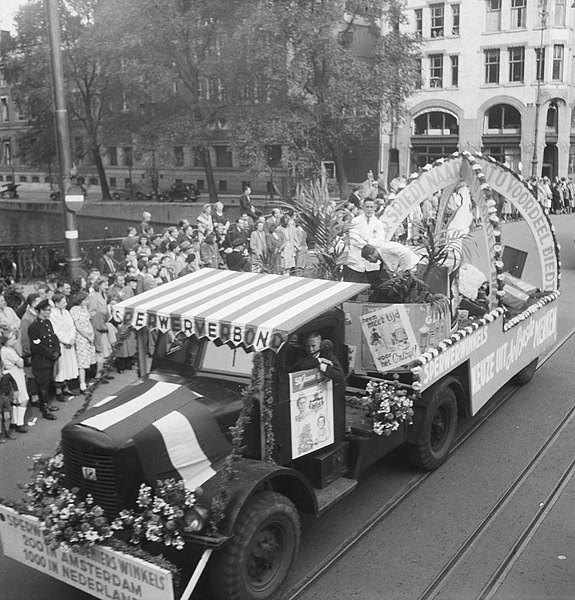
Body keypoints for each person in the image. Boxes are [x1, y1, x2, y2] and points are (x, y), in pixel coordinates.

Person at [28, 299, 61, 420]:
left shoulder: (48, 323)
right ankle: (44, 408)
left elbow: (54, 337)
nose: (49, 312)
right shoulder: (34, 327)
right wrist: (50, 353)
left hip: (49, 359)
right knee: (42, 385)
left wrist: (57, 351)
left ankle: (46, 404)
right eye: (47, 310)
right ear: (40, 311)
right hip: (41, 360)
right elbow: (37, 346)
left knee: (47, 382)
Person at [343, 197, 385, 284]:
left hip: (372, 264)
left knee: (374, 292)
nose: (369, 209)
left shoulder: (378, 223)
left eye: (371, 207)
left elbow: (380, 242)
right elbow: (354, 240)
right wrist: (371, 244)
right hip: (356, 261)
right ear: (362, 207)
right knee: (352, 290)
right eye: (367, 207)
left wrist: (366, 239)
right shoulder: (355, 221)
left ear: (375, 208)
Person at [50, 292, 80, 400]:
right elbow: (56, 331)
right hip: (60, 344)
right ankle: (58, 391)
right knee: (60, 368)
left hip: (70, 342)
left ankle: (66, 388)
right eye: (63, 302)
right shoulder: (52, 315)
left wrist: (72, 339)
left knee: (68, 367)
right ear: (56, 304)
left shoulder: (66, 312)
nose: (66, 304)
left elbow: (72, 326)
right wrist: (66, 340)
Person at [0, 331, 29, 433]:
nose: (15, 341)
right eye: (13, 339)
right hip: (15, 374)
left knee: (16, 400)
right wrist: (20, 361)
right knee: (23, 398)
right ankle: (19, 423)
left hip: (14, 373)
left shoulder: (7, 349)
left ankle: (15, 422)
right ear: (7, 341)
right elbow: (20, 363)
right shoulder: (7, 351)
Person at [69, 291, 96, 393]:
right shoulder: (74, 310)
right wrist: (87, 336)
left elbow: (88, 322)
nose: (87, 301)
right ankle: (82, 384)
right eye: (86, 300)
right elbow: (78, 326)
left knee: (89, 358)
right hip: (81, 337)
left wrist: (91, 335)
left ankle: (87, 379)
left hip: (88, 335)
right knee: (82, 360)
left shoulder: (84, 309)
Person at [0, 374, 17, 441]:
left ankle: (7, 431)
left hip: (6, 397)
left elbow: (13, 382)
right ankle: (0, 434)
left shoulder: (7, 375)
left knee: (7, 416)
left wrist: (15, 393)